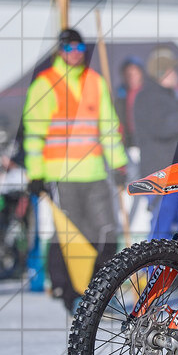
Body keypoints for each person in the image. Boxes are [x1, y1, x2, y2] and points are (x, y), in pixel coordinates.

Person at [23, 29, 128, 311]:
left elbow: (108, 127)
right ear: (59, 51)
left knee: (105, 233)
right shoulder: (44, 85)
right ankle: (68, 293)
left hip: (95, 172)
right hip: (61, 175)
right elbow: (33, 135)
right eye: (69, 48)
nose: (76, 52)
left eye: (79, 46)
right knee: (71, 237)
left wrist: (118, 163)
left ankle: (100, 293)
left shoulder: (95, 81)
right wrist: (35, 174)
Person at [132, 46, 178, 246]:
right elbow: (163, 127)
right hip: (162, 176)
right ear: (160, 72)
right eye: (171, 69)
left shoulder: (168, 95)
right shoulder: (150, 96)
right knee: (162, 230)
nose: (176, 74)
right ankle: (154, 273)